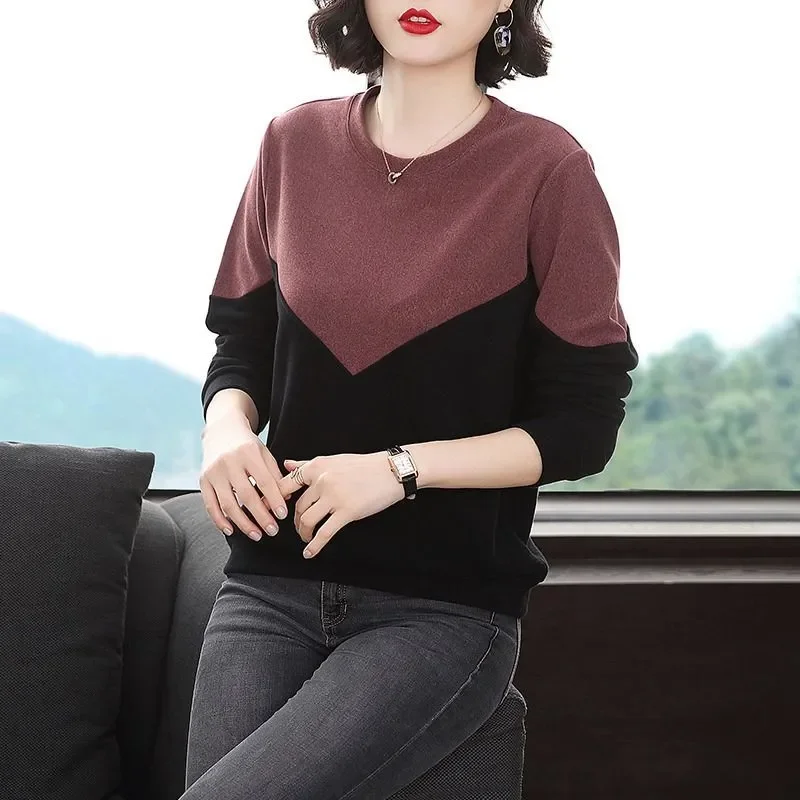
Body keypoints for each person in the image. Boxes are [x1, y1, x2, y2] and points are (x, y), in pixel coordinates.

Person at [184, 1, 639, 798]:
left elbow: (583, 425)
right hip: (269, 584)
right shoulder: (292, 142)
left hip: (442, 610)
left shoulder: (549, 170)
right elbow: (242, 344)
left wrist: (398, 470)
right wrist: (226, 430)